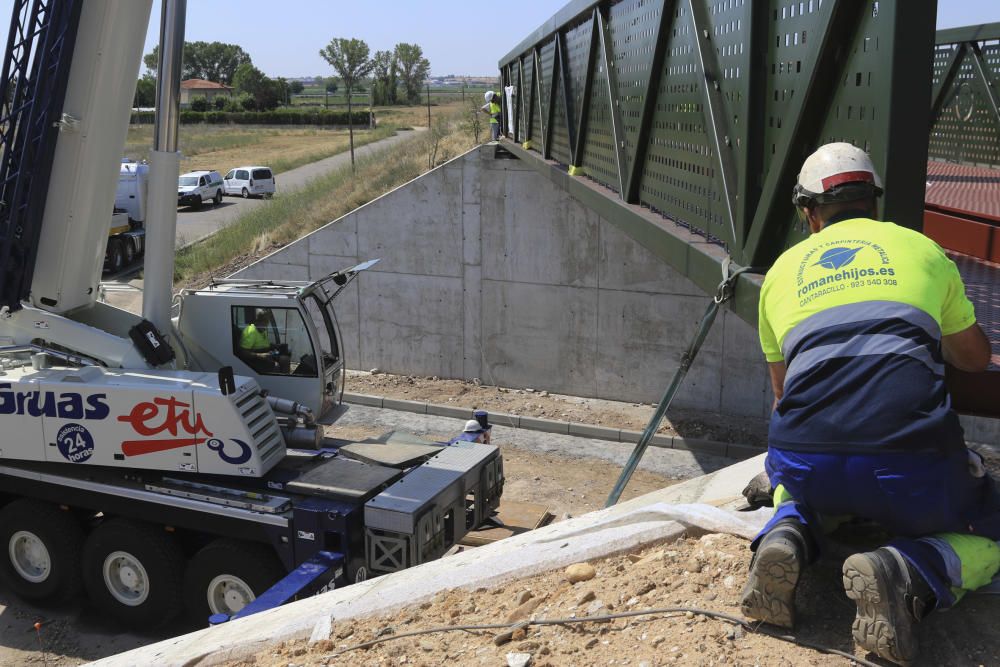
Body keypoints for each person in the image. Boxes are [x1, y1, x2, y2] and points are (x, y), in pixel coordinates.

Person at [741, 142, 999, 665]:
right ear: (873, 204)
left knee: (806, 473)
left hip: (807, 461)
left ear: (808, 214)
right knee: (990, 527)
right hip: (911, 461)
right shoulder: (923, 250)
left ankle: (791, 528)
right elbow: (974, 359)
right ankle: (911, 567)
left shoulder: (779, 276)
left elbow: (783, 396)